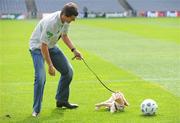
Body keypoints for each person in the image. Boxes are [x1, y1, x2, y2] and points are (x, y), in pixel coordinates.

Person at [29, 2, 82, 117]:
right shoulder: (51, 23)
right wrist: (50, 65)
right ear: (65, 15)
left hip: (51, 46)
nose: (73, 21)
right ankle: (36, 110)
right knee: (40, 77)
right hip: (37, 48)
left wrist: (74, 50)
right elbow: (43, 46)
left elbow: (64, 36)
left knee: (68, 71)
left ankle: (61, 101)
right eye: (72, 19)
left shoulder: (65, 20)